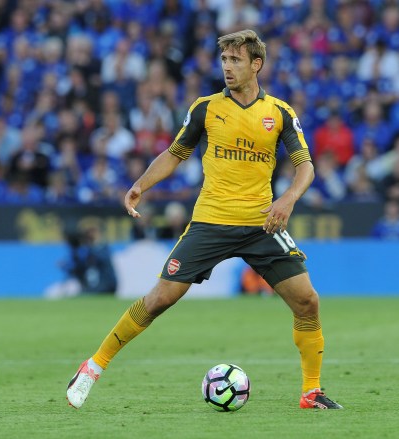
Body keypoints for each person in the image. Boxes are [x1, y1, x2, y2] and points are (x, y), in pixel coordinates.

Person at [66, 30, 342, 411]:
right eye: (224, 60)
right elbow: (175, 152)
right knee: (159, 299)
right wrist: (140, 185)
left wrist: (289, 199)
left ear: (256, 64)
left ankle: (311, 392)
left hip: (261, 224)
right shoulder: (206, 108)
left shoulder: (278, 112)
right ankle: (92, 367)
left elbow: (305, 166)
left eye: (236, 60)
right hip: (211, 222)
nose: (227, 68)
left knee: (308, 302)